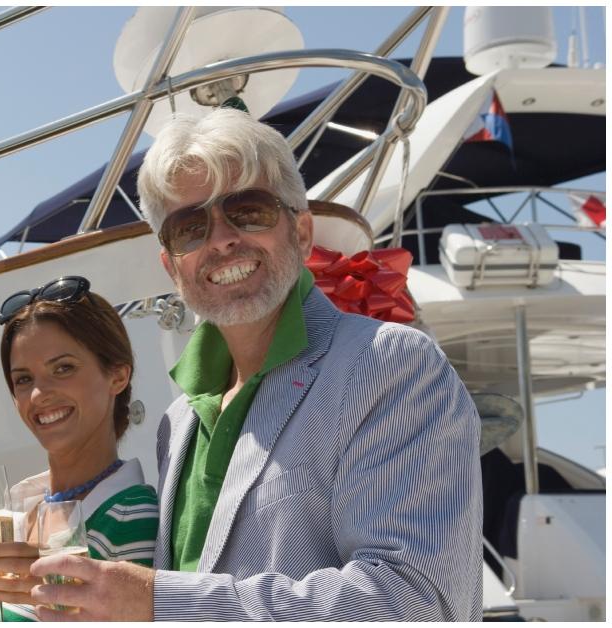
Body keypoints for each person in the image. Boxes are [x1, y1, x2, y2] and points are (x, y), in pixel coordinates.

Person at [26, 108, 482, 621]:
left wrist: (156, 599)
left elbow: (411, 604)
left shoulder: (390, 365)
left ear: (302, 232)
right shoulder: (177, 424)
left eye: (249, 210)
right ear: (171, 265)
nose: (220, 240)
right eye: (189, 227)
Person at [0, 277, 159, 621]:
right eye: (23, 379)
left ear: (118, 376)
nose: (39, 395)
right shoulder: (14, 509)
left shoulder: (131, 513)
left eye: (63, 368)